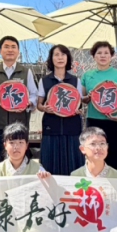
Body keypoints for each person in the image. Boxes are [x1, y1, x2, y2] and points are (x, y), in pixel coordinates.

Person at [0, 36, 39, 167]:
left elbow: (34, 95)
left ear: (18, 52)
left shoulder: (26, 72)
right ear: (0, 51)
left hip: (20, 125)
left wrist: (29, 102)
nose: (10, 50)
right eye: (6, 47)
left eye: (13, 47)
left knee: (21, 164)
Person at [36, 44, 84, 175]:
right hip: (51, 127)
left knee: (74, 165)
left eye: (63, 54)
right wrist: (44, 108)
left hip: (72, 128)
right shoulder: (44, 81)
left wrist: (78, 110)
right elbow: (39, 105)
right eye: (56, 55)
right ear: (51, 59)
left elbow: (78, 104)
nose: (60, 58)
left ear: (67, 58)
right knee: (50, 165)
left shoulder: (75, 80)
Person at [81, 41, 117, 170]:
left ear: (111, 56)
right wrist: (87, 98)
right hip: (93, 119)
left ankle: (116, 185)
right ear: (94, 56)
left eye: (106, 53)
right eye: (99, 53)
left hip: (114, 120)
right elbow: (83, 99)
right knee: (93, 153)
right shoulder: (87, 75)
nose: (103, 56)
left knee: (115, 153)